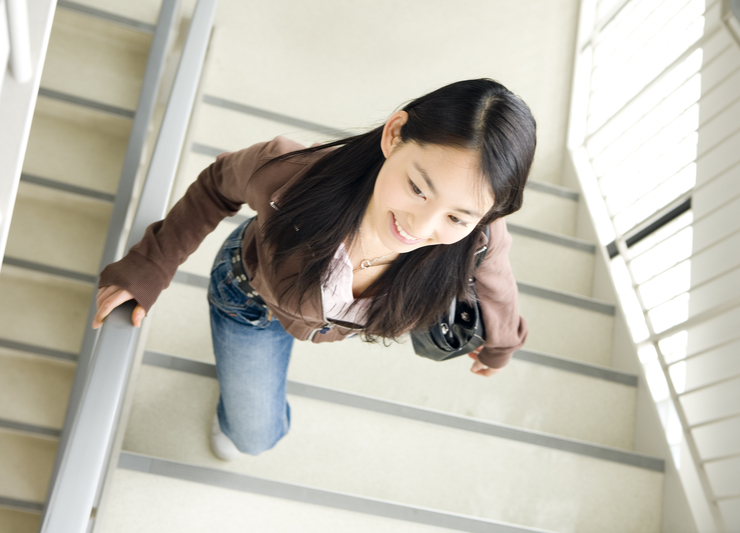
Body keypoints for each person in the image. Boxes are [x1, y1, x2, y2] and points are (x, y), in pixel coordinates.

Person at [92, 78, 537, 460]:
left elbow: (498, 286)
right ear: (395, 134)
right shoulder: (287, 172)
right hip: (251, 295)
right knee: (253, 439)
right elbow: (215, 185)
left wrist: (500, 344)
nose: (420, 227)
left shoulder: (478, 241)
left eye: (457, 218)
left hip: (319, 317)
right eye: (418, 187)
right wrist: (150, 264)